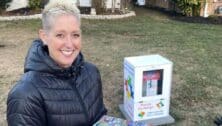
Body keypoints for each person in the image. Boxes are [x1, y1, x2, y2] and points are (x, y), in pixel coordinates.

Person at [6, 0, 107, 126]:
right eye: (60, 35)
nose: (69, 44)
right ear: (44, 36)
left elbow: (101, 118)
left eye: (75, 35)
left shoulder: (91, 73)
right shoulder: (25, 95)